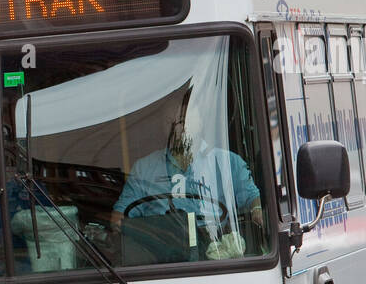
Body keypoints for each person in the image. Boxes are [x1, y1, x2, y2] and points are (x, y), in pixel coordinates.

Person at [111, 110, 263, 259]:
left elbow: (253, 198)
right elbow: (119, 217)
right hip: (160, 257)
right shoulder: (144, 168)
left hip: (217, 254)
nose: (179, 127)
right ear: (164, 128)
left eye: (185, 120)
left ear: (201, 123)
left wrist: (256, 210)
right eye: (172, 122)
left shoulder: (228, 162)